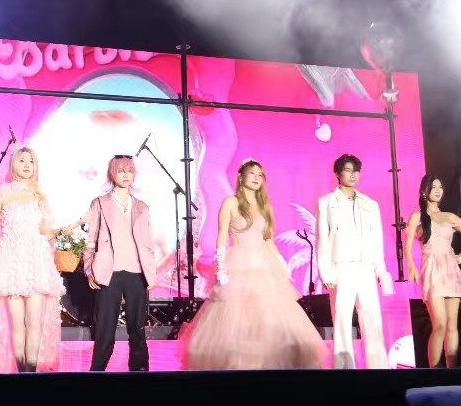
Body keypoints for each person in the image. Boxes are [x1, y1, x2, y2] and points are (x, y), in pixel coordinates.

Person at [181, 159, 324, 370]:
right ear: (241, 177)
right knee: (236, 315)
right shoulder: (230, 203)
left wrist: (282, 264)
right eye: (252, 173)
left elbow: (268, 240)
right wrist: (220, 267)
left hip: (264, 264)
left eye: (260, 175)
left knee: (270, 314)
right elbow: (221, 237)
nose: (257, 178)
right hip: (238, 262)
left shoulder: (265, 206)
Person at [0, 147, 74, 373]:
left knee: (34, 321)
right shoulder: (3, 194)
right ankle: (22, 371)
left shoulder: (40, 195)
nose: (26, 165)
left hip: (36, 262)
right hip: (11, 262)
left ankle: (31, 371)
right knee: (17, 322)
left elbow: (46, 232)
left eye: (31, 161)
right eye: (22, 160)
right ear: (14, 164)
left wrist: (70, 229)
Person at [317, 154, 395, 369]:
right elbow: (322, 239)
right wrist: (326, 272)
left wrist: (380, 271)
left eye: (356, 171)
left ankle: (378, 368)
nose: (353, 175)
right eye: (348, 170)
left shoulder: (370, 204)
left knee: (372, 320)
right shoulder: (326, 203)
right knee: (342, 321)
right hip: (341, 268)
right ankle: (343, 369)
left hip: (366, 268)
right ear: (338, 173)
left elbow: (377, 239)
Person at [82, 154, 155, 372]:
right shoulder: (99, 203)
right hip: (108, 272)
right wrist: (89, 269)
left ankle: (140, 371)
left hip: (137, 272)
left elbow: (148, 242)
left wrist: (150, 273)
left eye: (129, 170)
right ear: (112, 174)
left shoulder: (142, 207)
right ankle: (97, 372)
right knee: (105, 329)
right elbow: (90, 239)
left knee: (137, 329)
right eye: (121, 170)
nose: (126, 175)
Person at [404, 174, 461, 368]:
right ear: (424, 191)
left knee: (452, 325)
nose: (438, 190)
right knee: (439, 324)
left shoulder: (450, 217)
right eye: (433, 187)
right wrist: (411, 266)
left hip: (450, 271)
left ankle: (451, 371)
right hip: (431, 269)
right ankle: (435, 370)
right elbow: (407, 245)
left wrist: (459, 257)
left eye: (440, 187)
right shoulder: (417, 216)